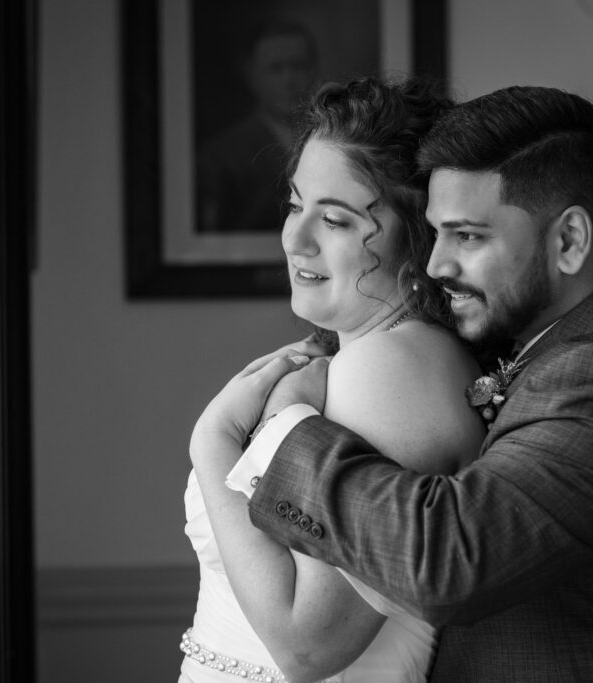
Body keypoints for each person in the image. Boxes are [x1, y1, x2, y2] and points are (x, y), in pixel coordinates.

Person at [205, 86, 593, 680]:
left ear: (570, 241)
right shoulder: (552, 339)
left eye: (469, 236)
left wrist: (276, 430)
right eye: (435, 232)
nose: (435, 264)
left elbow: (446, 558)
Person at [181, 77, 487, 682]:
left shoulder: (392, 370)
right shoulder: (355, 362)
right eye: (295, 206)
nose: (295, 239)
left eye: (338, 221)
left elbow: (308, 645)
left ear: (416, 237)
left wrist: (213, 438)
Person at [196, 20, 318, 234]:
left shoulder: (332, 144)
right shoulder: (222, 154)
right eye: (276, 69)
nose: (288, 80)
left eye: (298, 67)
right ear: (251, 75)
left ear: (312, 71)